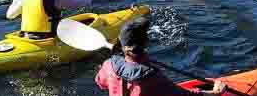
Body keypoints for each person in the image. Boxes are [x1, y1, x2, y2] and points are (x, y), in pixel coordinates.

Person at [95, 17, 226, 96]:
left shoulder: (109, 65)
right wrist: (216, 92)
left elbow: (100, 82)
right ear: (146, 42)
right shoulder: (151, 77)